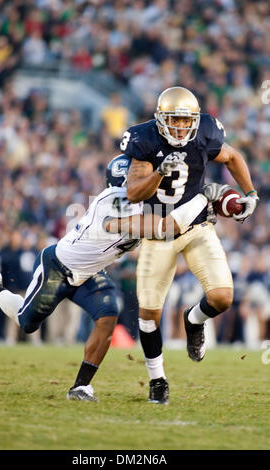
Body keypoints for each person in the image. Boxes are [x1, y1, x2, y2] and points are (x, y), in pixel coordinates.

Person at [0, 154, 226, 403]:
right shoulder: (112, 201)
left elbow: (167, 224)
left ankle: (81, 387)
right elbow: (161, 228)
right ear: (124, 178)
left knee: (108, 314)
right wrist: (202, 200)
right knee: (27, 322)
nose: (145, 179)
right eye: (138, 174)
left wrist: (203, 211)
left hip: (89, 272)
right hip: (58, 266)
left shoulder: (143, 202)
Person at [122, 86, 259, 404]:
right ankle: (158, 381)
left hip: (196, 225)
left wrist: (250, 193)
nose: (182, 127)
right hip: (158, 231)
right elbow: (133, 194)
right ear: (161, 119)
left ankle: (194, 319)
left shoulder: (206, 132)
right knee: (148, 314)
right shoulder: (145, 139)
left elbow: (233, 156)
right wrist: (158, 173)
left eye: (187, 121)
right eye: (176, 120)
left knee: (223, 297)